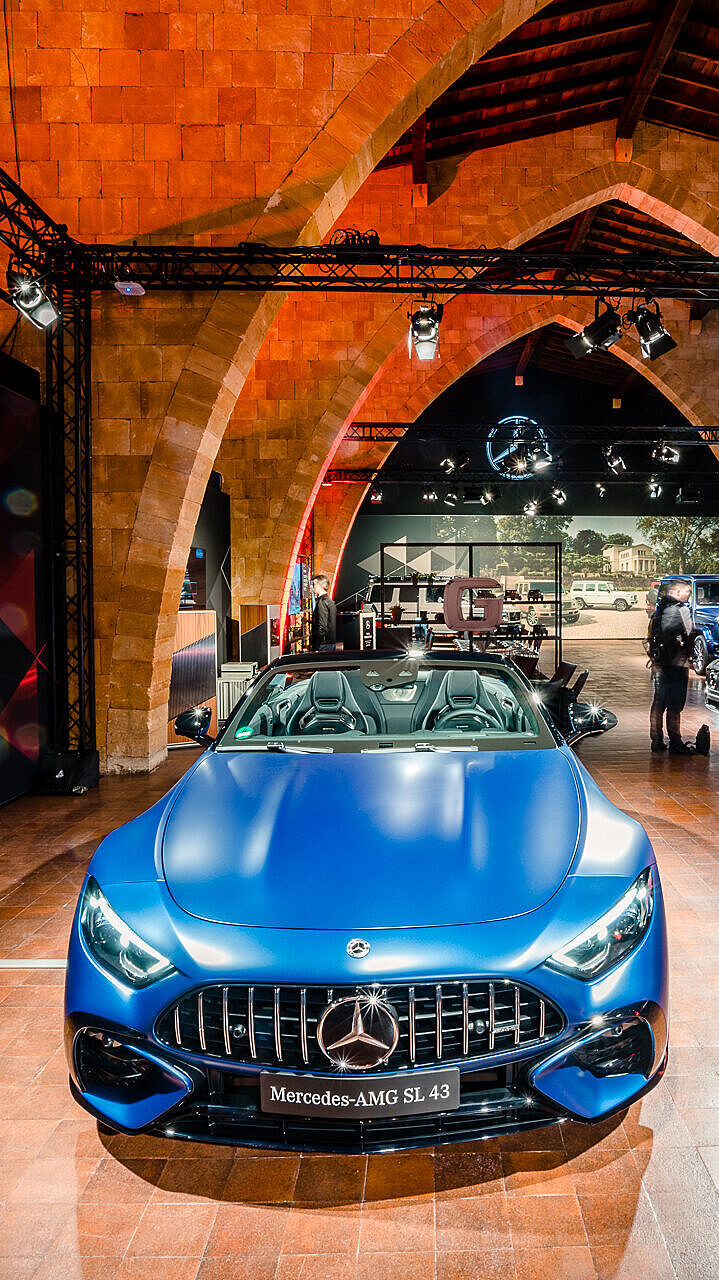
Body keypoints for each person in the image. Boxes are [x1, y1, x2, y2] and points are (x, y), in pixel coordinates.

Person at [648, 579, 710, 756]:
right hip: (677, 663)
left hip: (659, 664)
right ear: (676, 593)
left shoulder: (658, 612)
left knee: (658, 704)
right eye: (687, 592)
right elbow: (689, 634)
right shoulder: (683, 610)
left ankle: (657, 741)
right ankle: (675, 742)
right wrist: (690, 658)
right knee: (675, 705)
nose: (689, 595)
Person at [310, 573, 337, 651]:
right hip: (330, 641)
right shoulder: (330, 601)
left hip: (323, 643)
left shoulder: (322, 602)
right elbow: (327, 622)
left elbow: (322, 626)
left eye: (314, 584)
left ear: (319, 585)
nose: (312, 587)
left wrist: (316, 645)